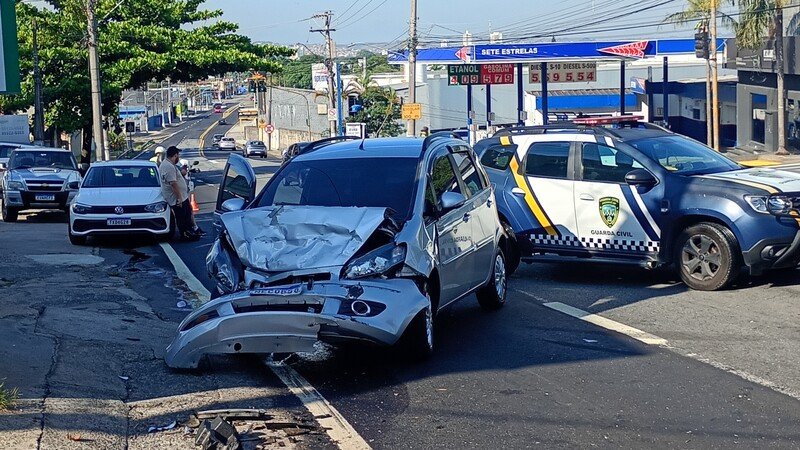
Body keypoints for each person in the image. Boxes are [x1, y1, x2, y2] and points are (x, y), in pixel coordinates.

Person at [159, 146, 199, 241]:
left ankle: (190, 231)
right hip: (176, 198)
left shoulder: (169, 164)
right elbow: (173, 184)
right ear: (175, 155)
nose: (178, 158)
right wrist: (179, 198)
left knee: (187, 214)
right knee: (181, 217)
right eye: (178, 155)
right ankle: (185, 235)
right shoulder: (168, 166)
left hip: (181, 196)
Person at [179, 159, 206, 236]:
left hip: (184, 193)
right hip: (181, 195)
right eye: (184, 167)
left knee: (189, 210)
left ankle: (193, 228)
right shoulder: (179, 173)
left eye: (186, 167)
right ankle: (188, 229)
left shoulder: (184, 173)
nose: (185, 169)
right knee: (187, 211)